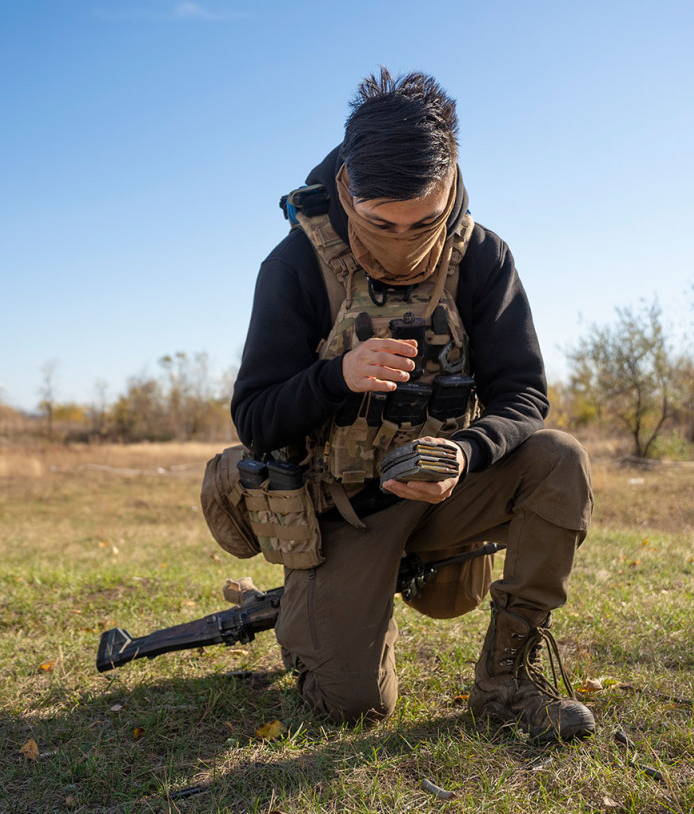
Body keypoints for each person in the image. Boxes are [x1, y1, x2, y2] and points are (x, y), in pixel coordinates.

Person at [229, 69, 595, 742]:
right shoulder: (295, 264)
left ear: (451, 180)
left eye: (425, 220)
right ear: (347, 189)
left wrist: (463, 451)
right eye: (380, 223)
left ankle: (507, 683)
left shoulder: (484, 257)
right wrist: (337, 376)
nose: (405, 239)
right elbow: (254, 418)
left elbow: (524, 395)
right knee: (352, 706)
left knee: (559, 460)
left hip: (438, 496)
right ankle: (309, 613)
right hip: (340, 515)